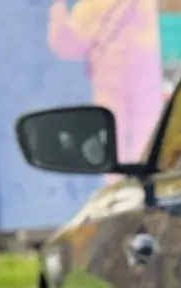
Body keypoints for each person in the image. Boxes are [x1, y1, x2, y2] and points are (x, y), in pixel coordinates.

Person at [47, 0, 163, 166]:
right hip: (117, 89)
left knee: (129, 147)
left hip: (139, 87)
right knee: (125, 148)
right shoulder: (91, 6)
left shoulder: (93, 6)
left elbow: (68, 46)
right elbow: (68, 46)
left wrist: (57, 11)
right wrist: (58, 12)